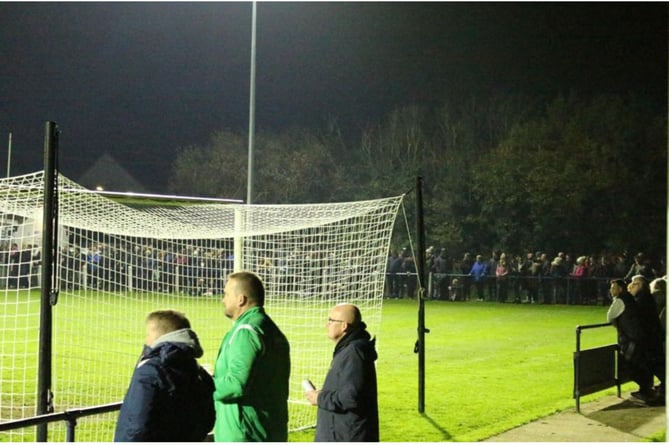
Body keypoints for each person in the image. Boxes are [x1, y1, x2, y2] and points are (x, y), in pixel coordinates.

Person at [114, 309, 215, 442]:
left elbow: (138, 423)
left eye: (148, 335)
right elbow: (208, 418)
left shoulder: (149, 370)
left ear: (157, 337)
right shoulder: (196, 370)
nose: (146, 340)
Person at [213, 271, 291, 442]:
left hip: (245, 432)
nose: (223, 300)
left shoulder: (247, 332)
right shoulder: (270, 329)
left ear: (241, 299)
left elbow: (235, 385)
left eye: (226, 294)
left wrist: (204, 386)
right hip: (267, 428)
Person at [305, 303, 379, 442]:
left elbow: (350, 398)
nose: (326, 325)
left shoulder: (354, 353)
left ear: (344, 326)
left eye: (331, 321)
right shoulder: (349, 349)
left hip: (345, 435)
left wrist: (320, 398)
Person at [606, 279, 658, 404]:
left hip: (631, 339)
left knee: (632, 365)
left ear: (620, 289)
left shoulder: (620, 300)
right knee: (640, 364)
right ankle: (646, 391)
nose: (611, 290)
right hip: (638, 337)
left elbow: (609, 317)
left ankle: (645, 393)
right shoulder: (630, 298)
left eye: (614, 288)